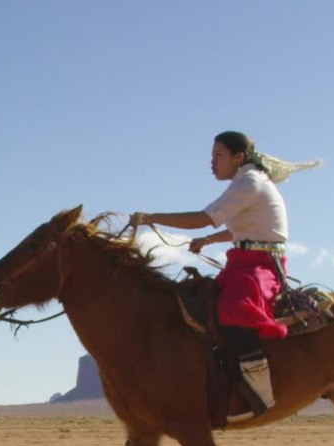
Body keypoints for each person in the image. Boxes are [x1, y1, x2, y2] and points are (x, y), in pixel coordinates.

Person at [131, 131, 320, 421]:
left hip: (261, 267)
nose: (212, 162)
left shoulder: (249, 181)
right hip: (242, 264)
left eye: (218, 155)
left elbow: (203, 218)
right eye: (212, 156)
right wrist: (208, 241)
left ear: (238, 157)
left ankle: (260, 391)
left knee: (234, 311)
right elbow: (241, 229)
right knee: (202, 302)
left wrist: (150, 218)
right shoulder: (245, 182)